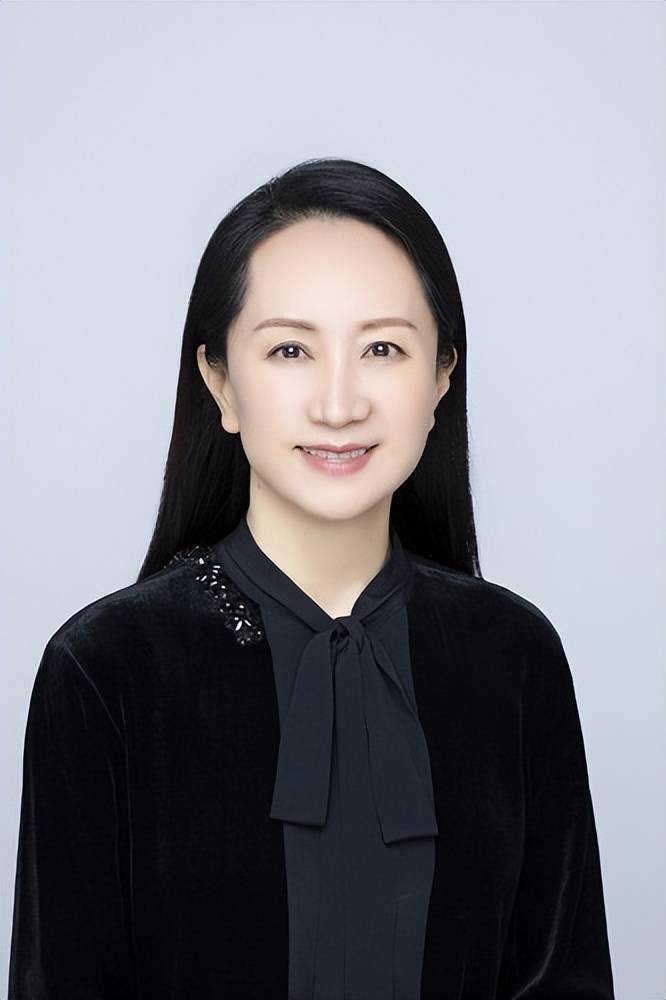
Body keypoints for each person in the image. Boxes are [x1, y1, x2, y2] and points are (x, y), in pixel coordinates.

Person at [7, 157, 616, 999]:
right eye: (290, 349)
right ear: (220, 380)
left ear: (442, 377)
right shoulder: (106, 667)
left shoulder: (514, 655)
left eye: (383, 348)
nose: (338, 404)